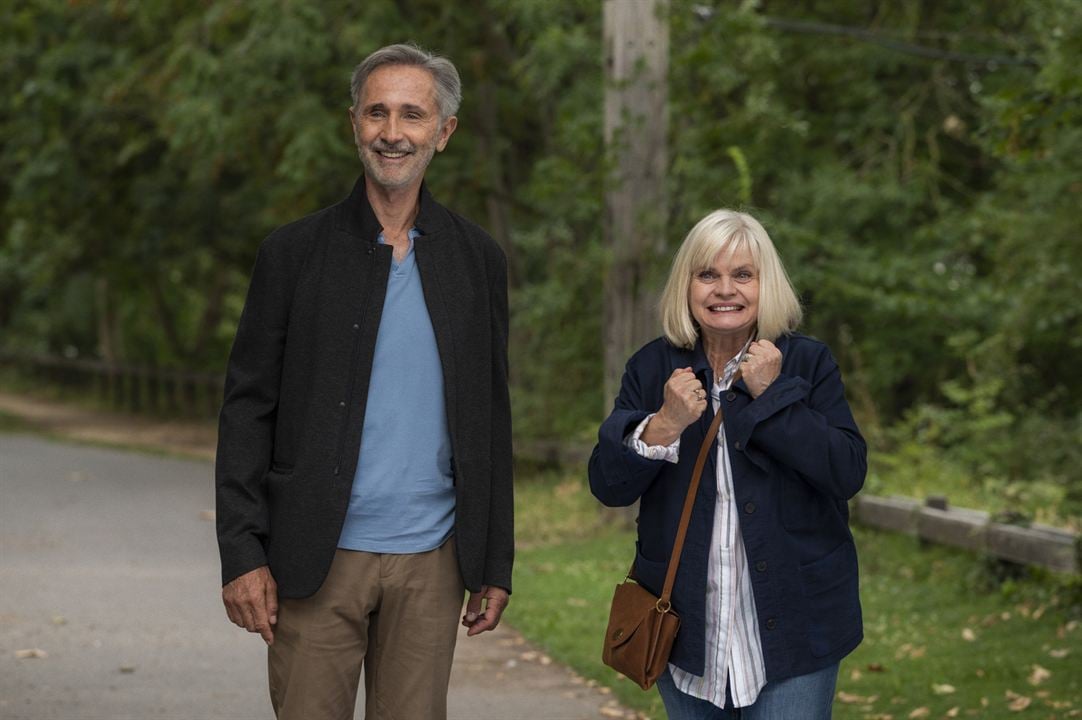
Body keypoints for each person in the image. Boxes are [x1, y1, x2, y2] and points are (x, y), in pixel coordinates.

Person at [215, 43, 513, 720]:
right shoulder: (291, 255)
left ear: (444, 131)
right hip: (315, 554)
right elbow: (246, 410)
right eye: (376, 112)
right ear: (353, 122)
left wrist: (495, 561)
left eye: (412, 114)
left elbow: (490, 418)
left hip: (433, 560)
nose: (392, 131)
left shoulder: (478, 261)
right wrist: (241, 553)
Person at [589, 210, 866, 719]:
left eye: (743, 275)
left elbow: (846, 472)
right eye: (708, 274)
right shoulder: (652, 367)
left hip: (797, 624)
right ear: (687, 285)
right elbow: (608, 485)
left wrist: (773, 396)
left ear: (766, 284)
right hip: (685, 628)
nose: (725, 290)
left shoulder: (807, 363)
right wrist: (664, 424)